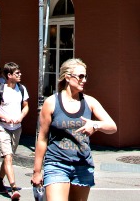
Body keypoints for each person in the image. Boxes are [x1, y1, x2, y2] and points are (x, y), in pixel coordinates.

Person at [31, 58, 117, 201]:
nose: (84, 80)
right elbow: (42, 138)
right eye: (80, 76)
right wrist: (37, 171)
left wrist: (95, 125)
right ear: (67, 77)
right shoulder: (51, 102)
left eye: (85, 76)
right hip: (56, 164)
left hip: (83, 165)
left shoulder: (89, 102)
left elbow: (112, 126)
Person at [0, 62, 29, 200]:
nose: (20, 74)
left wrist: (21, 117)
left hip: (16, 128)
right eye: (17, 73)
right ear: (9, 75)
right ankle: (13, 188)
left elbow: (26, 106)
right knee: (8, 157)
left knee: (8, 157)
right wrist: (3, 117)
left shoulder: (22, 89)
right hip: (2, 128)